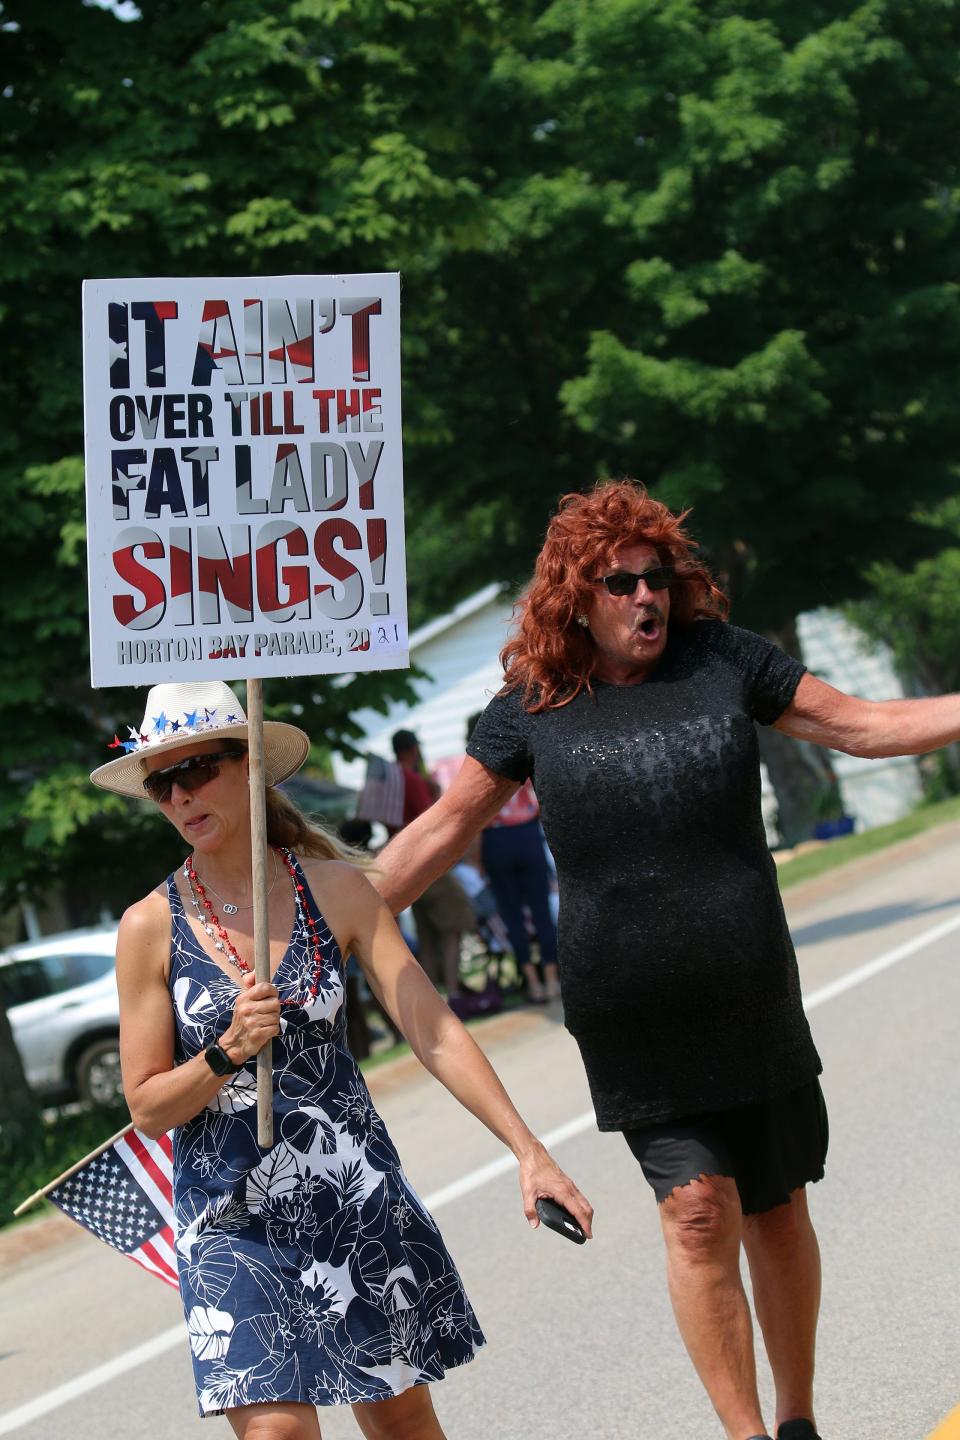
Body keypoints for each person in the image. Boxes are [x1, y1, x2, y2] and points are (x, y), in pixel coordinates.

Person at [372, 479, 960, 1440]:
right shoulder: (534, 708)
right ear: (577, 596)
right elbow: (438, 832)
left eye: (656, 578)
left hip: (751, 995)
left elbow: (862, 726)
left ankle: (799, 1417)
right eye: (620, 582)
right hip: (634, 1021)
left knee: (774, 1210)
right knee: (697, 1214)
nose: (645, 597)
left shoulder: (722, 661)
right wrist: (308, 934)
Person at [90, 679, 592, 1440]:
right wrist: (225, 1053)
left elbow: (435, 1031)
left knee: (401, 1422)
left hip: (350, 1195)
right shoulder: (147, 927)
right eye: (163, 782)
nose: (181, 794)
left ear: (250, 766)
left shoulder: (336, 891)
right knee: (277, 1433)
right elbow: (149, 1107)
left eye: (199, 769)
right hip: (230, 1219)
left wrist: (530, 1152)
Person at [465, 714, 559, 1004]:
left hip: (496, 841)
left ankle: (533, 983)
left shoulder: (472, 764)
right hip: (528, 834)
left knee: (512, 916)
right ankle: (553, 979)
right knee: (541, 909)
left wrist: (478, 860)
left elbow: (476, 816)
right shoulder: (519, 748)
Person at [389, 728, 475, 999]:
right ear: (413, 750)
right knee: (454, 924)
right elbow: (433, 820)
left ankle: (433, 998)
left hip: (403, 865)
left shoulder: (390, 781)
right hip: (427, 862)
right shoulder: (412, 779)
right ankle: (453, 991)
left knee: (427, 936)